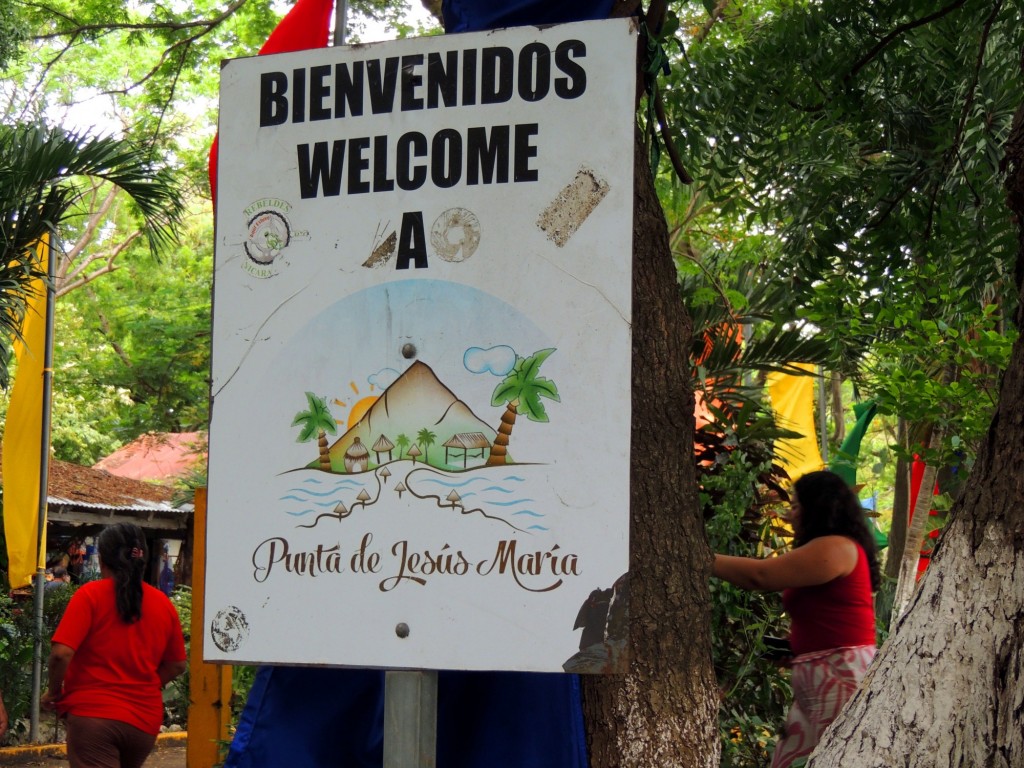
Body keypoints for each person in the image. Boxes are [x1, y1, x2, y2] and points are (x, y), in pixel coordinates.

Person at [712, 470, 880, 767]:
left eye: (795, 507)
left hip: (839, 676)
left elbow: (759, 575)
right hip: (824, 677)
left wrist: (701, 559)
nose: (788, 517)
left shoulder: (835, 547)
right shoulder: (832, 548)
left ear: (818, 508)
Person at [40, 523, 187, 768]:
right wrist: (145, 684)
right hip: (143, 723)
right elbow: (177, 664)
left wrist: (54, 692)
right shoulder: (163, 603)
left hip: (94, 717)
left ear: (102, 559)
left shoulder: (89, 595)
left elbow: (61, 654)